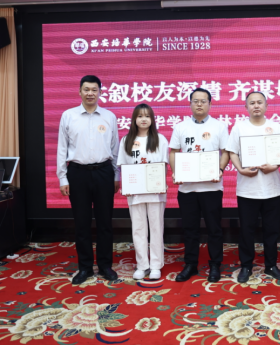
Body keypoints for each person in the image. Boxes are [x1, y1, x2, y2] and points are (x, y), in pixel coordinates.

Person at [57, 75, 120, 285]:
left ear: (100, 92)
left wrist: (116, 175)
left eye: (94, 90)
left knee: (105, 223)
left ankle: (105, 266)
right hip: (78, 173)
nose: (90, 93)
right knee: (82, 223)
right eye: (86, 89)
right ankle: (84, 267)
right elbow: (62, 148)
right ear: (80, 91)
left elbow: (115, 149)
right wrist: (62, 178)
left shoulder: (109, 117)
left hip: (104, 172)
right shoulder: (68, 116)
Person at [226, 91, 280, 283]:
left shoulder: (276, 127)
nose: (256, 106)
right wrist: (240, 169)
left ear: (266, 106)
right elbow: (232, 152)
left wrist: (274, 166)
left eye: (259, 102)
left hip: (271, 188)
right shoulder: (239, 127)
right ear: (246, 107)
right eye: (252, 103)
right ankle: (246, 266)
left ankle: (271, 265)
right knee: (247, 230)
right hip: (247, 189)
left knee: (272, 230)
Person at [169, 88, 230, 283]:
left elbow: (226, 151)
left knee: (214, 229)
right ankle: (190, 264)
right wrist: (176, 172)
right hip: (187, 188)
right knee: (190, 229)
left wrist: (219, 170)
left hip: (212, 187)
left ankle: (215, 264)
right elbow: (173, 152)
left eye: (203, 101)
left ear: (210, 104)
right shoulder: (181, 127)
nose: (199, 104)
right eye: (195, 101)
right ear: (190, 104)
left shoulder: (219, 126)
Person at [117, 104, 169, 281]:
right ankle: (142, 265)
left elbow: (164, 166)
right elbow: (123, 166)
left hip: (155, 192)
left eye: (147, 116)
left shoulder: (160, 139)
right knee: (138, 228)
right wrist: (126, 186)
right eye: (140, 116)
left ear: (152, 119)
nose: (144, 119)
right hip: (135, 192)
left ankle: (155, 265)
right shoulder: (126, 140)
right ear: (134, 119)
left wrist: (161, 183)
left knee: (156, 228)